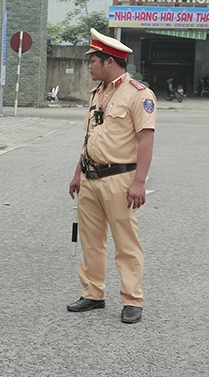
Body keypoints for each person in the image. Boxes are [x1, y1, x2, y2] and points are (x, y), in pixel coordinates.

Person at [67, 28, 156, 324]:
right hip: (91, 179)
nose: (89, 65)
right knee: (91, 240)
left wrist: (139, 182)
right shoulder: (98, 93)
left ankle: (133, 298)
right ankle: (93, 292)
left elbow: (145, 139)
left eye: (92, 60)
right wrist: (78, 172)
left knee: (125, 242)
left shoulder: (138, 95)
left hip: (120, 179)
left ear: (109, 61)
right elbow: (90, 136)